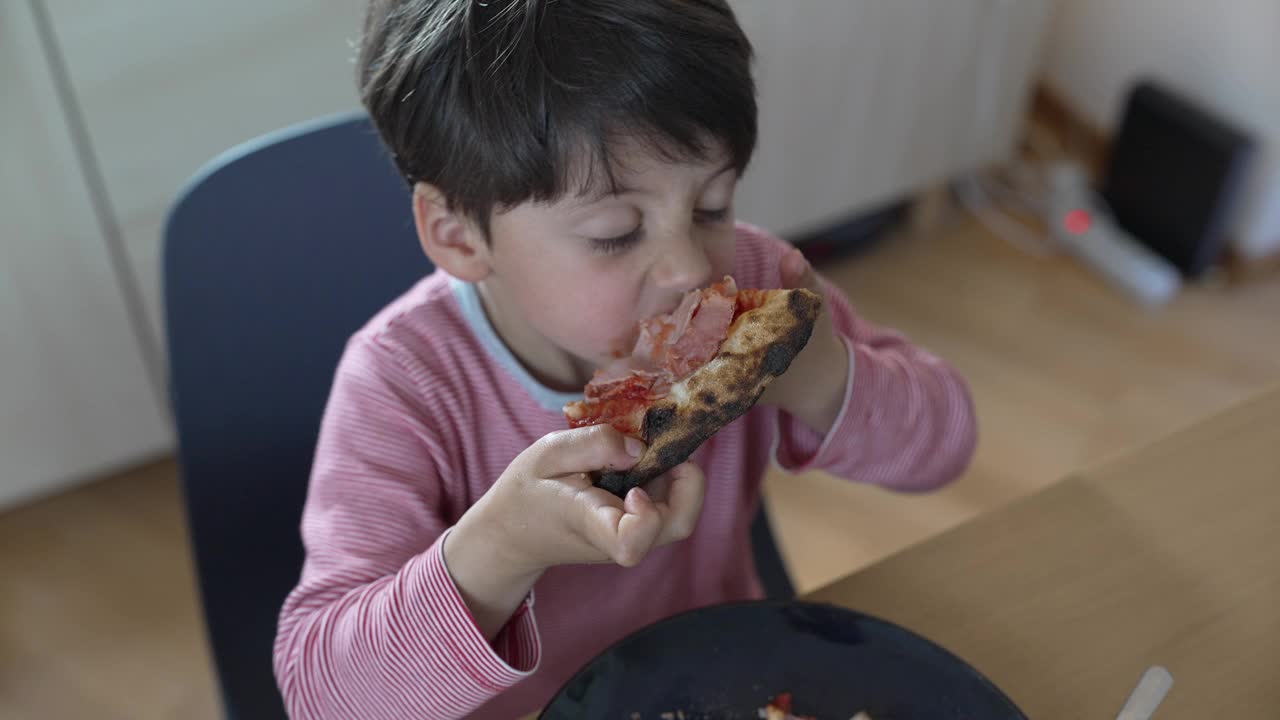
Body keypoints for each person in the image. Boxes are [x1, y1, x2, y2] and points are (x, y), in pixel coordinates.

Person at [272, 1, 977, 717]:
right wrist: (502, 548)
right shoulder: (405, 383)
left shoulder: (756, 288)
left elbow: (946, 444)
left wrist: (821, 378)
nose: (687, 266)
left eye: (712, 205)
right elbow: (324, 695)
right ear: (458, 235)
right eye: (616, 232)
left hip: (725, 683)